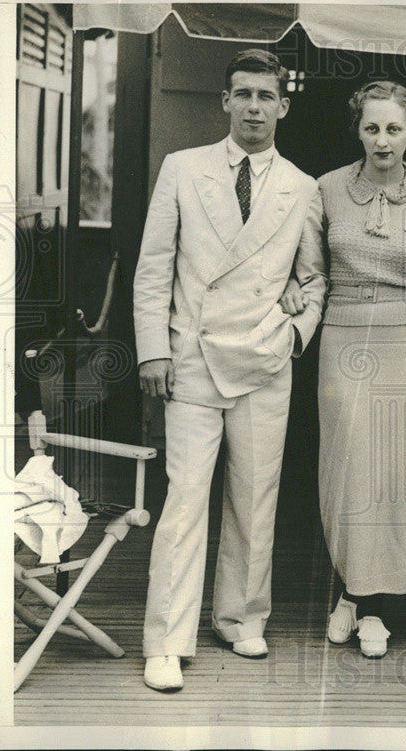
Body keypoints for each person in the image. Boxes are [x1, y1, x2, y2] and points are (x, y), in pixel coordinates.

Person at [133, 49, 327, 692]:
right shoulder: (183, 170)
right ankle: (166, 640)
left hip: (266, 359)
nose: (253, 107)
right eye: (242, 94)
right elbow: (154, 267)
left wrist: (296, 330)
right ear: (224, 101)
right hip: (191, 357)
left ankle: (241, 617)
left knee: (254, 497)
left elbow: (315, 277)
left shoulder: (303, 186)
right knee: (186, 501)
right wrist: (152, 350)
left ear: (284, 106)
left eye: (265, 96)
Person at [280, 81, 406, 659]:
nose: (383, 140)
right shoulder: (325, 188)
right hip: (346, 335)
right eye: (372, 128)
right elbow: (309, 273)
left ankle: (370, 603)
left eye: (395, 129)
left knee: (399, 476)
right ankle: (354, 592)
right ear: (357, 130)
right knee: (353, 470)